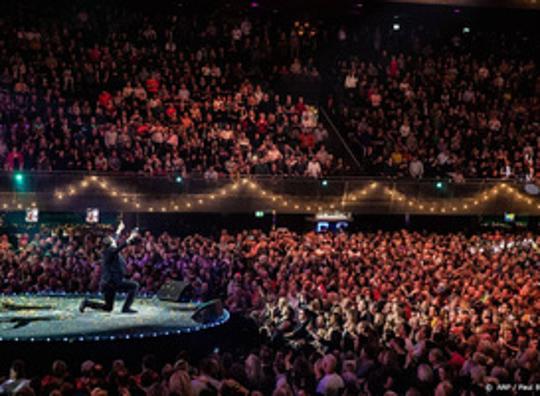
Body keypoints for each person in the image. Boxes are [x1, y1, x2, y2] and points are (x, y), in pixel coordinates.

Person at [79, 221, 140, 314]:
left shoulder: (109, 249)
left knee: (108, 307)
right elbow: (120, 247)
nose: (115, 240)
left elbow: (115, 238)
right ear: (111, 244)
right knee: (135, 286)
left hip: (109, 283)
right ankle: (126, 308)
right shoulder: (110, 251)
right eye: (113, 240)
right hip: (112, 282)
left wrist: (119, 229)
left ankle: (87, 303)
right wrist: (130, 239)